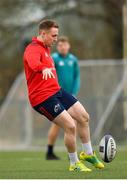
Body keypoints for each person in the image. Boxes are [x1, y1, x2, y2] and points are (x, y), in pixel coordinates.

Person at [23, 19, 104, 172]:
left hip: (56, 91)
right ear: (43, 33)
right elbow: (33, 63)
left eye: (57, 35)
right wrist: (42, 68)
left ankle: (88, 154)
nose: (56, 39)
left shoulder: (46, 47)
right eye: (53, 36)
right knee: (70, 126)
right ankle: (74, 163)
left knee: (84, 117)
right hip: (42, 98)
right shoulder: (33, 48)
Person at [46, 36, 80, 160]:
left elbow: (77, 77)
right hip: (57, 95)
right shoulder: (54, 58)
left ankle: (72, 152)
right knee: (58, 124)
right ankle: (50, 151)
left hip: (70, 96)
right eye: (60, 45)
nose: (62, 47)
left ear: (68, 46)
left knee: (74, 123)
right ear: (57, 47)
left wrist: (74, 92)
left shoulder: (73, 59)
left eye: (64, 45)